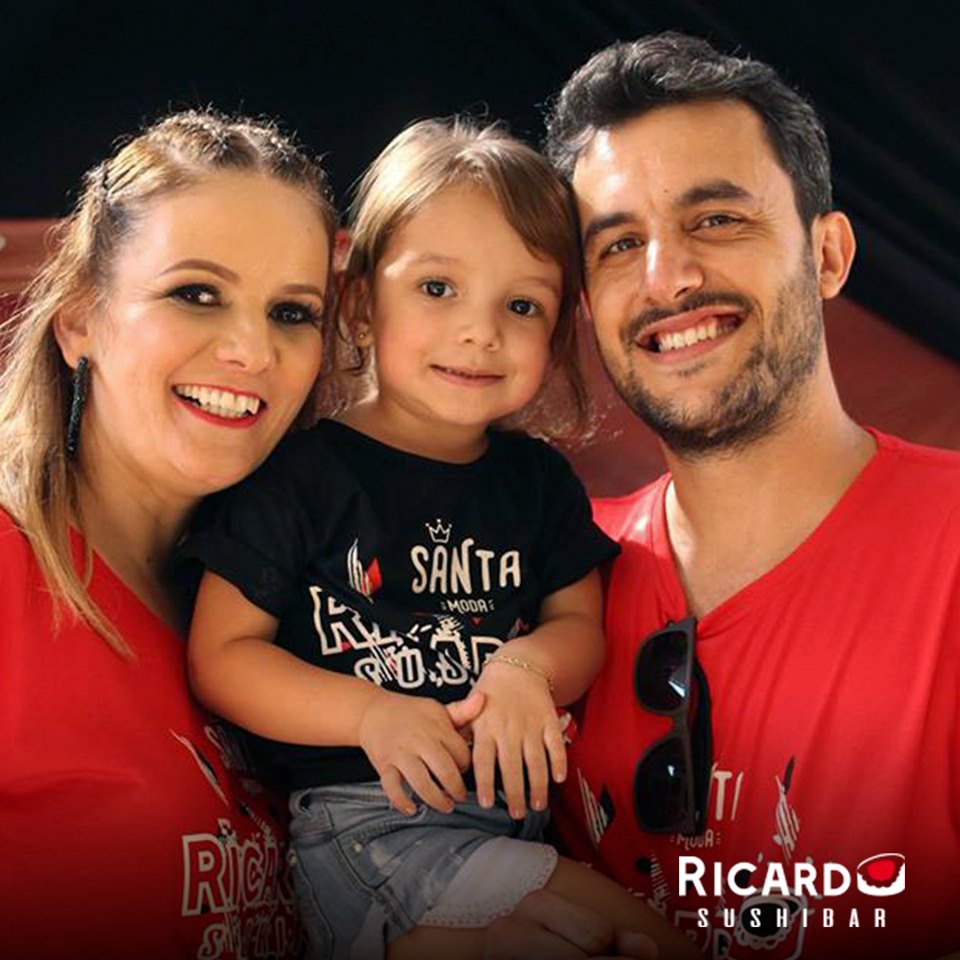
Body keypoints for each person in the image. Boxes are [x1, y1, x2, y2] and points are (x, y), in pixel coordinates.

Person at [486, 30, 960, 960]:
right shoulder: (552, 580)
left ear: (828, 255)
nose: (667, 278)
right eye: (619, 244)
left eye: (716, 220)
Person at [184, 118, 697, 960]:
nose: (480, 331)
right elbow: (223, 655)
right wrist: (370, 713)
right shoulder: (301, 475)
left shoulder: (538, 483)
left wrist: (526, 669)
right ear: (359, 304)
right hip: (370, 826)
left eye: (521, 306)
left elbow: (579, 624)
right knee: (649, 938)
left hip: (512, 823)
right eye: (437, 288)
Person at [0, 110, 338, 959]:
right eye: (196, 294)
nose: (252, 350)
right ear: (79, 320)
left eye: (292, 312)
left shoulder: (293, 611)